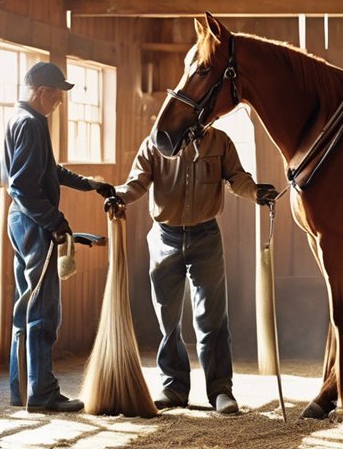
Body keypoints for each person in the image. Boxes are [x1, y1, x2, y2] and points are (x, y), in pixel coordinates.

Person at [105, 125, 278, 415]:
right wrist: (119, 196)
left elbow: (237, 178)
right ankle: (173, 387)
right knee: (167, 318)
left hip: (205, 236)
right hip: (164, 237)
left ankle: (220, 390)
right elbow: (137, 182)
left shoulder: (220, 141)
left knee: (211, 317)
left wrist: (256, 192)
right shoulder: (155, 143)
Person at [1, 61, 116, 413]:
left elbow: (48, 171)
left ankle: (20, 390)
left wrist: (91, 185)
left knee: (27, 305)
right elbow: (21, 185)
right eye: (56, 95)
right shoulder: (32, 125)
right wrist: (55, 221)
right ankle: (42, 393)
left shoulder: (20, 120)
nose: (59, 102)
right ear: (41, 92)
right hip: (34, 222)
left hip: (22, 221)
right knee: (43, 310)